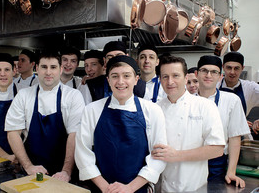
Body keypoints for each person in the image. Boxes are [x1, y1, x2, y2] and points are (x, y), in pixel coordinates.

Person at [75, 55, 167, 193]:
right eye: (115, 76)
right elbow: (83, 154)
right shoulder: (92, 110)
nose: (120, 81)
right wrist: (106, 188)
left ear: (136, 79)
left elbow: (158, 157)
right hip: (102, 188)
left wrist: (130, 188)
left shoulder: (152, 110)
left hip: (138, 188)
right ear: (108, 80)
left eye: (126, 76)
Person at [5, 51, 85, 181]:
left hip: (64, 173)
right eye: (44, 67)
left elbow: (74, 135)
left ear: (60, 69)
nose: (48, 72)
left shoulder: (73, 96)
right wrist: (28, 166)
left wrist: (66, 171)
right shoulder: (24, 95)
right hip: (32, 172)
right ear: (37, 68)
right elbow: (13, 132)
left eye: (53, 67)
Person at [151, 55, 225, 192]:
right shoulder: (154, 109)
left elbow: (217, 148)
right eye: (165, 77)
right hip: (162, 187)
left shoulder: (204, 106)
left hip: (195, 187)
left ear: (186, 78)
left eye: (176, 76)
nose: (170, 81)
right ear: (159, 79)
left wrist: (177, 155)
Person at [196, 55, 249, 187]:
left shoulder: (231, 100)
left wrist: (231, 171)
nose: (209, 75)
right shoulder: (187, 100)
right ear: (196, 74)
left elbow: (234, 138)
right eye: (204, 71)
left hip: (217, 163)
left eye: (214, 72)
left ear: (220, 76)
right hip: (192, 159)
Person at [80, 41, 146, 104]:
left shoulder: (142, 87)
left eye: (119, 56)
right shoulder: (90, 86)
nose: (115, 60)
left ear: (127, 57)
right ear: (105, 61)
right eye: (110, 58)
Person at [217, 51, 259, 136]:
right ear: (223, 67)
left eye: (236, 68)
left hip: (241, 135)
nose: (232, 72)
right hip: (217, 134)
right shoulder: (214, 87)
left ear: (242, 68)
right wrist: (236, 123)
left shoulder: (250, 88)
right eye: (229, 68)